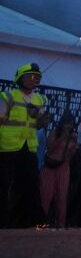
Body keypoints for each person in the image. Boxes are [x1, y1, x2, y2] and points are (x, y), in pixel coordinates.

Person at [0, 63, 49, 228]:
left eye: (36, 77)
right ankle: (4, 223)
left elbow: (42, 124)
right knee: (4, 185)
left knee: (31, 185)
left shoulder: (39, 99)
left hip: (29, 148)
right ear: (20, 78)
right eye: (29, 76)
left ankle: (34, 223)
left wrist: (38, 115)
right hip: (7, 148)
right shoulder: (8, 96)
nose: (33, 79)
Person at [39, 112, 78, 228]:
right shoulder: (55, 132)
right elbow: (49, 148)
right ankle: (40, 225)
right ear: (62, 123)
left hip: (64, 168)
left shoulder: (74, 136)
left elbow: (72, 152)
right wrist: (62, 138)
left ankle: (60, 225)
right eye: (67, 123)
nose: (69, 126)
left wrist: (71, 153)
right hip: (50, 168)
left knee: (62, 198)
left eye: (71, 124)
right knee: (45, 196)